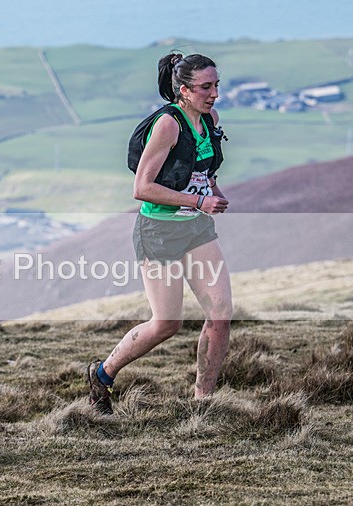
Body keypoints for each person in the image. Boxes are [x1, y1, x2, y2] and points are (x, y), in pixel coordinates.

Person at [87, 53, 233, 414]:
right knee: (166, 323)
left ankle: (204, 403)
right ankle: (103, 375)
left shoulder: (210, 119)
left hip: (197, 229)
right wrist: (198, 201)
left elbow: (203, 165)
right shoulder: (168, 125)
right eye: (205, 87)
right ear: (183, 91)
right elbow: (142, 187)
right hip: (159, 231)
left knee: (221, 313)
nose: (214, 94)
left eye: (216, 85)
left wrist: (212, 190)